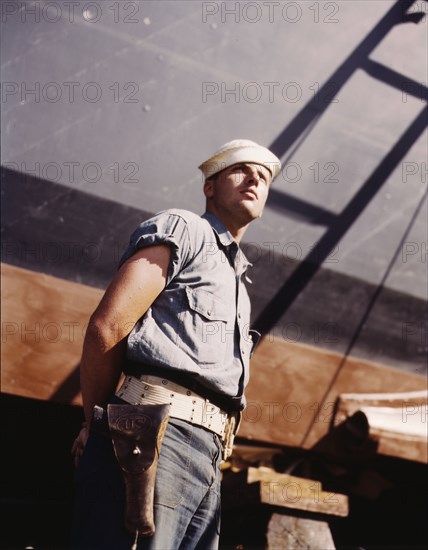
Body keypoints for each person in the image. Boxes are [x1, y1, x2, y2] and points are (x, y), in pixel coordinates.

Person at [70, 139, 281, 550]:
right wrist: (96, 424)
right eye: (242, 169)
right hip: (156, 437)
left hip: (209, 458)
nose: (255, 177)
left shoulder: (238, 282)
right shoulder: (185, 228)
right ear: (210, 188)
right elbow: (107, 328)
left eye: (265, 176)